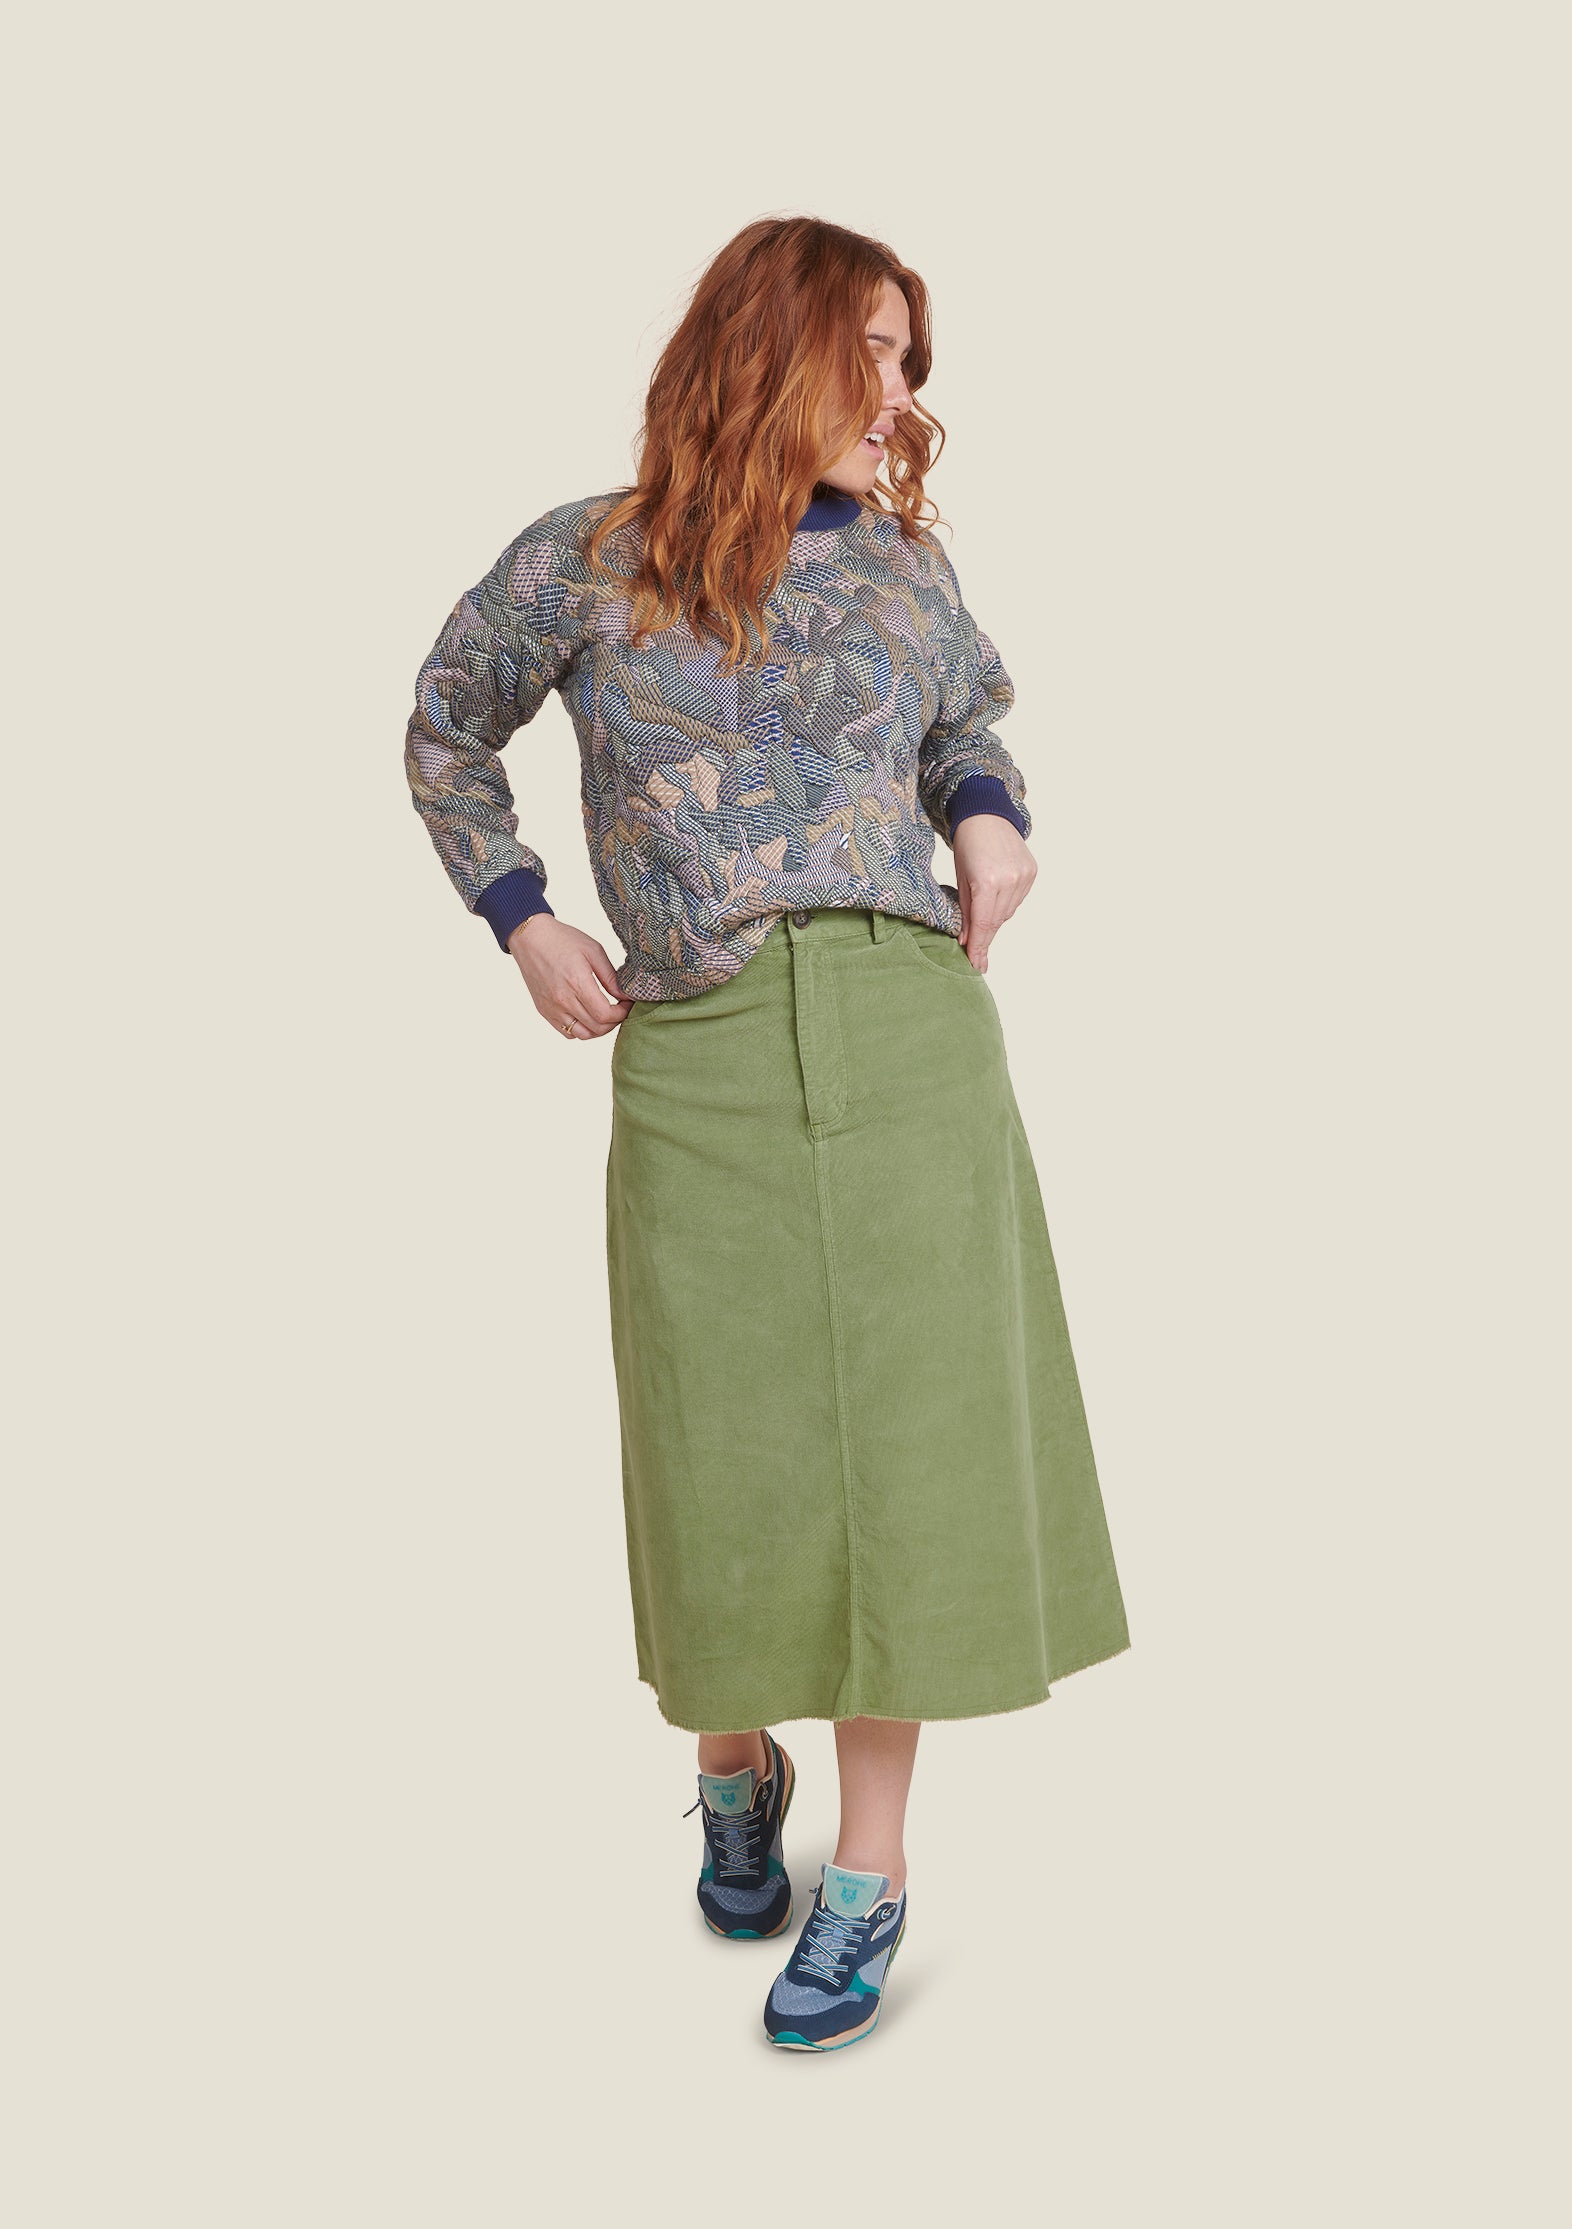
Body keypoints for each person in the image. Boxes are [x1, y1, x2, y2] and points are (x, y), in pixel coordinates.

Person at [403, 215, 1131, 2052]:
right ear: (773, 347)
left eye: (909, 357)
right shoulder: (587, 556)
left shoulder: (901, 565)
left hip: (907, 1026)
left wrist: (987, 815)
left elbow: (965, 723)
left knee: (911, 1441)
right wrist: (522, 915)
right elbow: (444, 730)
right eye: (872, 347)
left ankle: (870, 1873)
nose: (901, 390)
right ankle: (733, 1764)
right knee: (716, 1434)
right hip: (699, 1040)